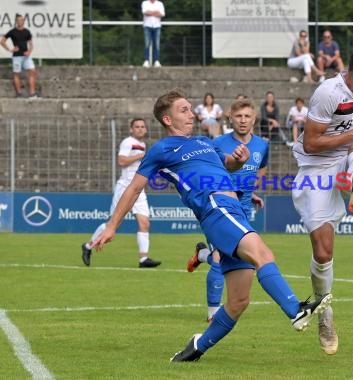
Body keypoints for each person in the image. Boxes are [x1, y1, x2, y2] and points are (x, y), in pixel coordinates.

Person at [91, 89, 332, 362]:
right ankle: (295, 309)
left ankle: (196, 348)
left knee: (239, 301)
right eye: (183, 110)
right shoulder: (162, 149)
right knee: (262, 254)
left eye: (189, 108)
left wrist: (237, 160)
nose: (190, 112)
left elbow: (226, 165)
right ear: (168, 119)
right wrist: (112, 226)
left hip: (233, 212)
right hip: (215, 208)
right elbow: (134, 188)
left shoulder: (205, 142)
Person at [291, 43, 353, 355]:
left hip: (348, 155)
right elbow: (310, 143)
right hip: (315, 167)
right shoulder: (328, 93)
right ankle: (325, 310)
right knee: (322, 251)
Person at [187, 98, 269, 323]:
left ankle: (201, 255)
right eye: (239, 116)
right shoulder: (217, 143)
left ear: (254, 119)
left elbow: (261, 168)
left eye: (247, 116)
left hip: (242, 208)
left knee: (238, 256)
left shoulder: (262, 145)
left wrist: (251, 191)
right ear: (230, 118)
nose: (243, 121)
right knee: (220, 256)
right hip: (219, 207)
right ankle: (213, 313)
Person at [81, 118, 161, 268]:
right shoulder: (128, 142)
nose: (140, 129)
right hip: (125, 187)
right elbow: (122, 161)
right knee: (113, 224)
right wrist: (141, 155)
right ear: (131, 129)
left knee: (144, 223)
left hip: (139, 187)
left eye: (142, 127)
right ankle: (88, 246)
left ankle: (143, 259)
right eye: (137, 126)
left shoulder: (143, 145)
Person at [0, 14, 39, 98]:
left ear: (24, 21)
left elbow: (31, 44)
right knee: (16, 74)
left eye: (22, 20)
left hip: (26, 56)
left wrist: (29, 51)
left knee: (33, 71)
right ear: (16, 21)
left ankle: (32, 93)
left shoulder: (27, 31)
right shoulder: (12, 31)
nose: (20, 21)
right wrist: (9, 49)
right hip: (17, 57)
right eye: (18, 20)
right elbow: (2, 41)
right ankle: (19, 94)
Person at [141, 0, 165, 68]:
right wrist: (156, 12)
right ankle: (146, 61)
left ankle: (156, 61)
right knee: (147, 44)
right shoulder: (144, 3)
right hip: (147, 26)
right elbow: (145, 12)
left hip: (157, 26)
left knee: (157, 45)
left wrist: (150, 12)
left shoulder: (160, 4)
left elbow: (162, 14)